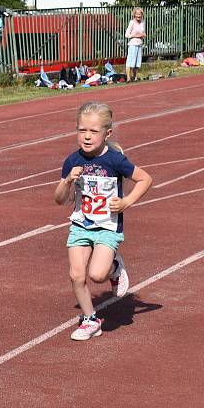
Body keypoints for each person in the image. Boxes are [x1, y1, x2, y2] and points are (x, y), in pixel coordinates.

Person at [53, 102, 152, 341]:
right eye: (81, 130)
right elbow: (59, 200)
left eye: (93, 131)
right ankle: (90, 320)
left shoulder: (115, 160)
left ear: (107, 133)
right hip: (80, 224)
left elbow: (145, 179)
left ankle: (115, 268)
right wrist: (67, 180)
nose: (86, 137)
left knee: (97, 275)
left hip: (107, 226)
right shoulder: (73, 160)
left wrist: (127, 202)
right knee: (77, 275)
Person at [124, 8, 146, 82]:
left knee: (137, 62)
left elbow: (143, 33)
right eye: (137, 14)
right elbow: (127, 34)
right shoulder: (132, 22)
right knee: (130, 61)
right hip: (133, 44)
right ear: (134, 14)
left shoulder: (143, 22)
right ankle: (128, 78)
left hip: (140, 44)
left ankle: (135, 77)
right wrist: (134, 35)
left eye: (140, 14)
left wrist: (143, 35)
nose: (138, 15)